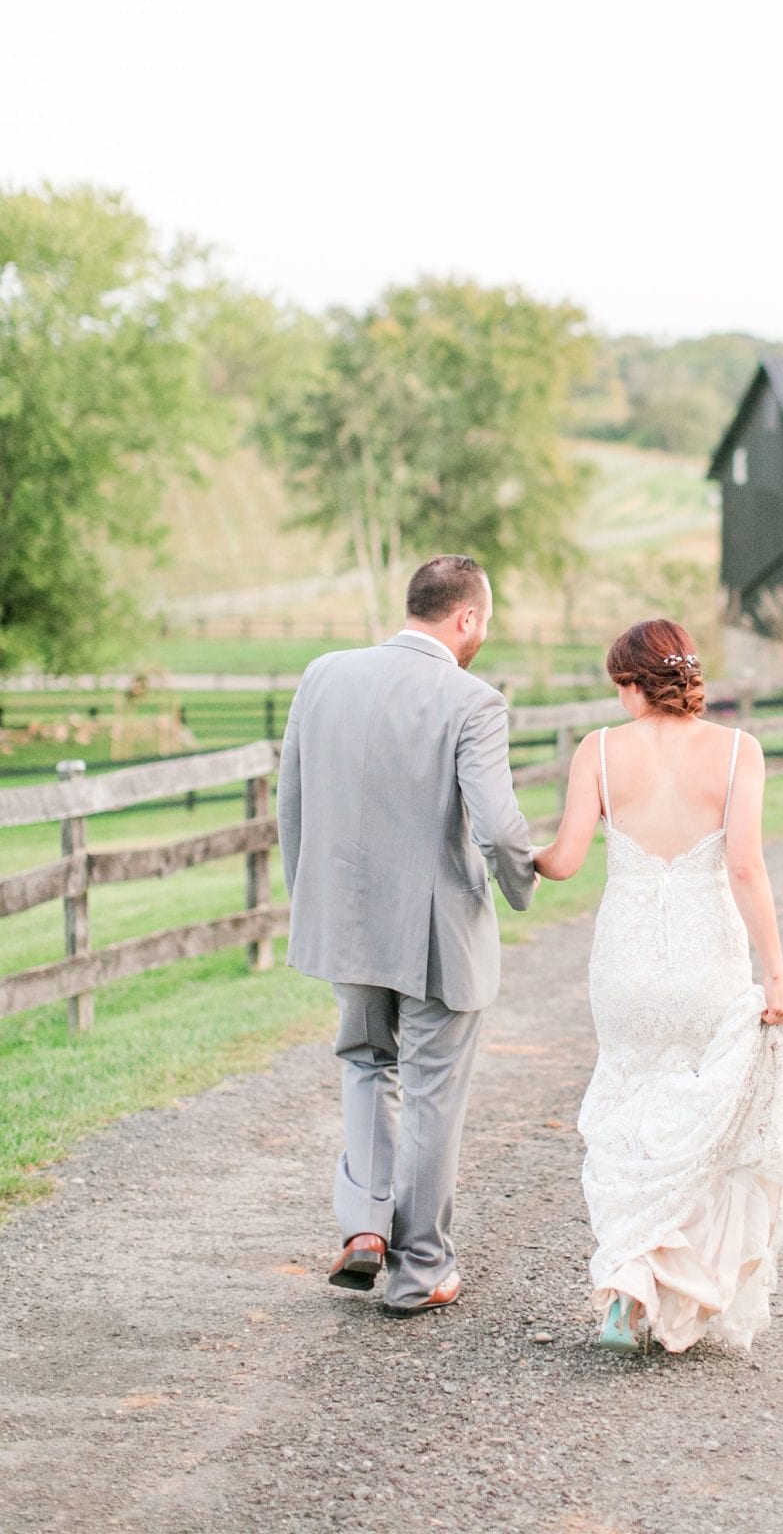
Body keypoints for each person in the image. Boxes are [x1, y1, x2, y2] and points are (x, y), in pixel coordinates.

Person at [534, 618, 783, 1354]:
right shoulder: (736, 753)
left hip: (626, 964)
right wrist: (776, 977)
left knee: (627, 1106)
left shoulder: (598, 751)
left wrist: (517, 852)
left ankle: (628, 1277)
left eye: (621, 687)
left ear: (635, 684)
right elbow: (746, 868)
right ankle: (662, 1276)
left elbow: (565, 861)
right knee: (701, 1119)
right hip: (705, 959)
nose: (620, 700)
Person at [277, 554, 537, 1316]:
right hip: (434, 934)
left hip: (343, 920)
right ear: (465, 619)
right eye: (483, 621)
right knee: (428, 1091)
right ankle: (421, 1270)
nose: (482, 634)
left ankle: (363, 1228)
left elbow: (292, 801)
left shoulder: (323, 675)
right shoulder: (473, 701)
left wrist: (312, 903)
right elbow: (495, 823)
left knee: (364, 1063)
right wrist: (524, 881)